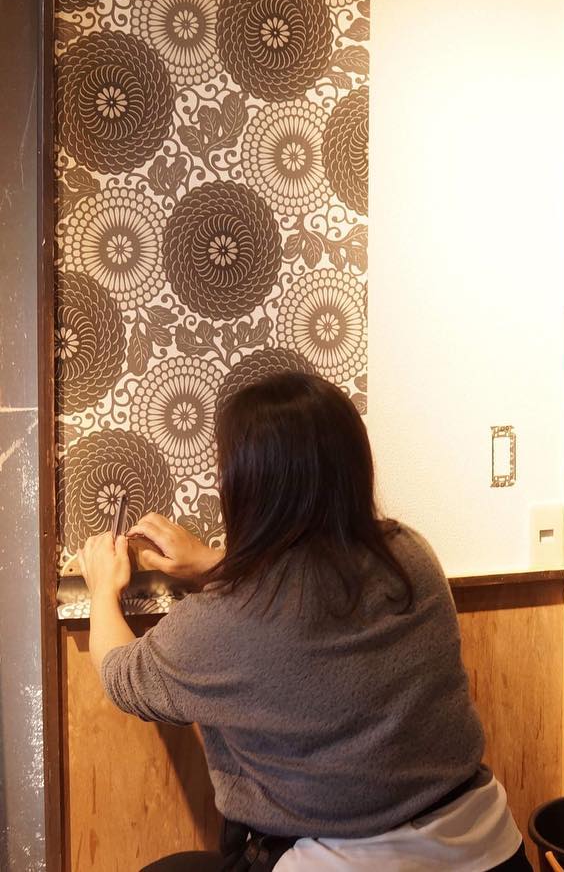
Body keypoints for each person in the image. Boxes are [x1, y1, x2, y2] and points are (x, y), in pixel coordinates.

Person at [78, 371, 532, 872]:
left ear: (246, 486)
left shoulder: (226, 620)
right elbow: (307, 601)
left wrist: (102, 589)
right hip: (489, 849)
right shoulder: (408, 555)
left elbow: (121, 674)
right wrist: (213, 562)